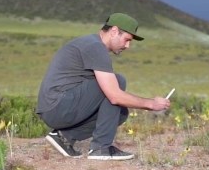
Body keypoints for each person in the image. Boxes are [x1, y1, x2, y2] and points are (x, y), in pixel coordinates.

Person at [35, 13, 171, 161]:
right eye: (126, 40)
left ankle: (65, 137)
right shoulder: (95, 47)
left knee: (120, 112)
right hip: (58, 106)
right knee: (117, 82)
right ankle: (101, 148)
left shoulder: (91, 43)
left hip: (54, 107)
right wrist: (151, 104)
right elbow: (114, 95)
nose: (127, 46)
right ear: (114, 31)